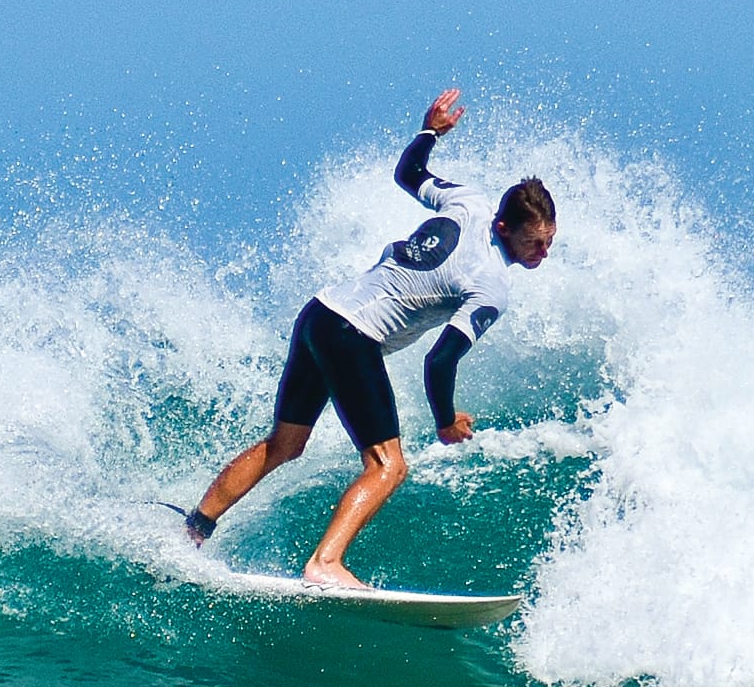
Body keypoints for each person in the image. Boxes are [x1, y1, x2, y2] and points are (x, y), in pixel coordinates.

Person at [184, 89, 556, 589]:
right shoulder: (491, 286)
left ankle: (196, 526)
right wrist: (446, 422)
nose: (542, 254)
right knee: (388, 465)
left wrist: (428, 132)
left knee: (286, 444)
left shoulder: (468, 201)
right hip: (353, 336)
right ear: (506, 227)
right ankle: (325, 564)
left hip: (319, 314)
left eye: (549, 243)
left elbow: (408, 174)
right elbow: (440, 362)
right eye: (535, 243)